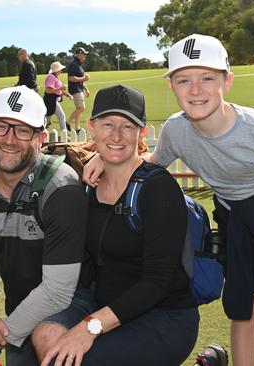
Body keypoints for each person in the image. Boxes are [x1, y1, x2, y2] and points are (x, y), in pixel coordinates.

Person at [84, 34, 254, 366]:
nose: (196, 89)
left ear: (228, 80)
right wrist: (101, 159)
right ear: (172, 86)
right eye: (184, 80)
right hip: (234, 216)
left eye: (207, 78)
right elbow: (149, 162)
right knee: (242, 310)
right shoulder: (177, 130)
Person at [32, 85, 200, 366]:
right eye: (107, 124)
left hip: (163, 314)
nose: (117, 135)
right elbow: (20, 156)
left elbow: (157, 283)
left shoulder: (158, 189)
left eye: (128, 126)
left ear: (142, 132)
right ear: (91, 127)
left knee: (76, 359)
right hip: (102, 300)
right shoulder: (85, 181)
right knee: (46, 336)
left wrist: (90, 327)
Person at [0, 85, 87, 366]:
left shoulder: (61, 187)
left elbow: (58, 291)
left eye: (23, 130)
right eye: (2, 127)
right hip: (20, 310)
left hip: (74, 308)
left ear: (40, 137)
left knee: (46, 341)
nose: (10, 140)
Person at [67, 47, 91, 132]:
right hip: (75, 89)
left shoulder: (78, 64)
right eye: (84, 54)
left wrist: (86, 89)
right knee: (81, 108)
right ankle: (68, 122)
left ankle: (77, 128)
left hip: (79, 89)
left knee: (79, 109)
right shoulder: (74, 64)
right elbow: (71, 78)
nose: (85, 56)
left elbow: (81, 79)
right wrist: (84, 78)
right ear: (79, 54)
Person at [43, 61, 72, 131]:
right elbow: (48, 90)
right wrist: (60, 88)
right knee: (60, 116)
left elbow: (59, 90)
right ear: (57, 70)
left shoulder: (55, 77)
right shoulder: (51, 77)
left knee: (48, 118)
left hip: (53, 100)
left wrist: (67, 94)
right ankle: (64, 132)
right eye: (60, 69)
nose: (61, 70)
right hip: (50, 100)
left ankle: (63, 132)